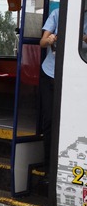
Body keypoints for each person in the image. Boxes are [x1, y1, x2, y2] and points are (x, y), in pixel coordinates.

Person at [39, 8, 59, 167]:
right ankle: (48, 166)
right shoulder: (57, 13)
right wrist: (50, 39)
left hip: (74, 77)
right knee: (50, 120)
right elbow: (42, 42)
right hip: (50, 75)